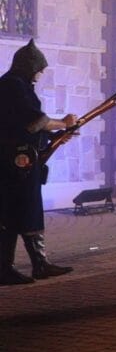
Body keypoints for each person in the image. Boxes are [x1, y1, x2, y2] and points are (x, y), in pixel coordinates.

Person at [0, 40, 77, 285]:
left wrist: (54, 137)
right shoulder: (12, 86)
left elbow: (31, 129)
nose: (40, 74)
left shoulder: (18, 85)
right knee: (15, 212)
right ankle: (10, 267)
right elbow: (33, 121)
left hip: (21, 162)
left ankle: (37, 264)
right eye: (39, 69)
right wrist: (63, 123)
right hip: (13, 164)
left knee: (22, 211)